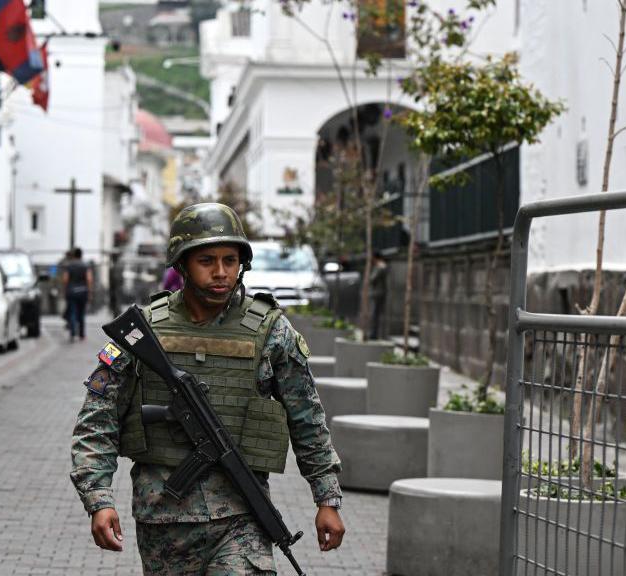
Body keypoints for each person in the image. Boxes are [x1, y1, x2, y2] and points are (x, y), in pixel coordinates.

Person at [70, 203, 345, 574]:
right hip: (163, 521)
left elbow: (307, 418)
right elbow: (97, 421)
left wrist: (326, 498)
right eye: (207, 260)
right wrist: (99, 499)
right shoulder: (141, 332)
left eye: (230, 260)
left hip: (242, 516)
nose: (221, 272)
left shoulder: (271, 331)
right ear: (182, 264)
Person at [62, 247, 92, 341]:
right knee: (81, 313)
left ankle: (72, 333)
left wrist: (65, 290)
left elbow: (65, 279)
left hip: (71, 292)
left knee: (72, 312)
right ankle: (82, 334)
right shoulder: (85, 265)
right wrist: (89, 291)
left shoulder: (69, 265)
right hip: (83, 291)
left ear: (74, 255)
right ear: (81, 255)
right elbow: (89, 279)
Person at [368, 251, 389, 341]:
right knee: (376, 314)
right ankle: (374, 333)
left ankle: (374, 334)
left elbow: (372, 279)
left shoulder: (380, 266)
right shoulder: (381, 266)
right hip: (379, 292)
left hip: (378, 293)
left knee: (375, 314)